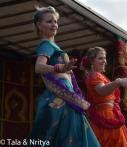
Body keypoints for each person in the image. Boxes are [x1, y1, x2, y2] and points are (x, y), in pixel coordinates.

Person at [29, 6, 100, 147]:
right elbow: (39, 67)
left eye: (55, 21)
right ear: (39, 25)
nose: (54, 24)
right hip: (60, 98)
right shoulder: (46, 44)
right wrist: (60, 67)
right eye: (49, 21)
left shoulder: (53, 46)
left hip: (65, 95)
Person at [81, 47, 127, 147]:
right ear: (92, 61)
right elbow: (102, 90)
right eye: (100, 58)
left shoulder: (99, 76)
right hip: (105, 116)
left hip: (109, 114)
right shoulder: (95, 75)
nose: (104, 61)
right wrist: (118, 82)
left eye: (104, 58)